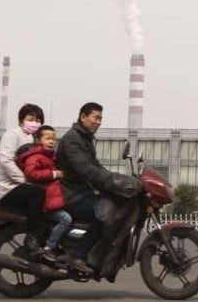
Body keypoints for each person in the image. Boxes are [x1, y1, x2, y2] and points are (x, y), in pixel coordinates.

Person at [56, 102, 140, 275]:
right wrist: (115, 181)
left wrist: (118, 179)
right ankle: (78, 256)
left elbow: (96, 167)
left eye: (100, 119)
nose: (98, 122)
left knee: (111, 205)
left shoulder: (85, 139)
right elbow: (86, 169)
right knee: (106, 213)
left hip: (82, 191)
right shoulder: (73, 139)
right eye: (96, 118)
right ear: (83, 117)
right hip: (71, 195)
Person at [0, 103, 48, 256]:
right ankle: (32, 238)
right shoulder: (13, 134)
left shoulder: (34, 139)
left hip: (26, 185)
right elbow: (6, 160)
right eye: (30, 119)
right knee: (38, 194)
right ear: (21, 120)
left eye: (38, 120)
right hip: (9, 189)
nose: (34, 123)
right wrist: (24, 179)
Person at [16, 125, 73, 266]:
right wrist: (53, 174)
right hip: (44, 202)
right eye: (48, 138)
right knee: (65, 219)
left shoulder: (50, 157)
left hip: (51, 199)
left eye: (53, 139)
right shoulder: (35, 156)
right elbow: (31, 174)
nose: (51, 141)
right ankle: (48, 248)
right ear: (38, 140)